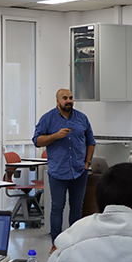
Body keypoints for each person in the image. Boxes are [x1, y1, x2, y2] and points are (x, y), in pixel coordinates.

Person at [32, 88, 96, 244]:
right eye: (65, 98)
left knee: (77, 207)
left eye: (71, 98)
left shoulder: (82, 118)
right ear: (58, 101)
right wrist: (56, 136)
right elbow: (37, 141)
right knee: (57, 208)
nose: (69, 101)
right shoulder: (48, 118)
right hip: (58, 172)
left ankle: (74, 242)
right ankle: (56, 243)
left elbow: (91, 142)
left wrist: (87, 163)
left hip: (79, 171)